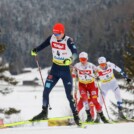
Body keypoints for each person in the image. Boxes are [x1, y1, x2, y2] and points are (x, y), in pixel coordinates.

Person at [30, 23, 81, 126]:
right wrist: (36, 50)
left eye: (58, 34)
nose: (56, 35)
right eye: (54, 33)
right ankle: (44, 112)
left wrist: (70, 60)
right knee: (46, 90)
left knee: (69, 95)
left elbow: (76, 53)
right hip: (54, 69)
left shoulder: (68, 40)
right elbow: (43, 45)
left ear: (62, 32)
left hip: (65, 71)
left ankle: (76, 116)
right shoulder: (52, 38)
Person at [72, 52, 109, 123]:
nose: (83, 61)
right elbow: (73, 72)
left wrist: (97, 75)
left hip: (91, 84)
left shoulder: (91, 65)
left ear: (87, 59)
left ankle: (102, 116)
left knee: (94, 100)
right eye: (81, 59)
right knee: (85, 99)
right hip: (82, 84)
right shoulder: (77, 65)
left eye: (84, 59)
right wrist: (74, 74)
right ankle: (89, 116)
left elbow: (98, 70)